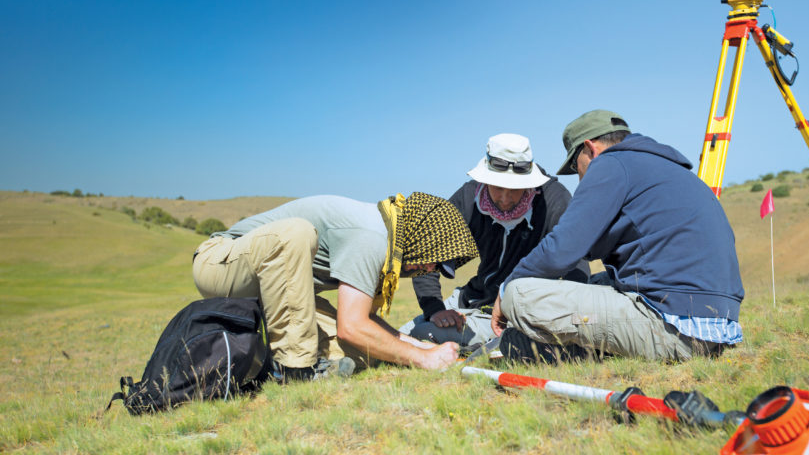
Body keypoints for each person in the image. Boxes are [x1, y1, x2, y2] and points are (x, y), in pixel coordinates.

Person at [490, 110, 744, 363]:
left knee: (519, 293)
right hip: (718, 327)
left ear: (590, 149)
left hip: (673, 327)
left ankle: (571, 347)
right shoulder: (665, 168)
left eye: (575, 166)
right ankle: (570, 351)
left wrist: (505, 289)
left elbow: (563, 249)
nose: (579, 177)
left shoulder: (611, 163)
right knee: (596, 282)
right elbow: (595, 246)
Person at [192, 192, 478, 380]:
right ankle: (293, 370)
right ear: (423, 238)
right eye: (434, 262)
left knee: (363, 353)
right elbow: (351, 326)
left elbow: (365, 325)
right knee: (296, 233)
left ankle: (284, 360)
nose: (430, 270)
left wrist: (423, 347)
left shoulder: (388, 240)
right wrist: (422, 360)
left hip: (276, 287)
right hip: (220, 263)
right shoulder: (371, 238)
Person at [400, 134, 588, 350]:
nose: (505, 198)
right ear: (485, 179)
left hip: (517, 311)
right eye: (498, 187)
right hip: (471, 297)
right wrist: (434, 308)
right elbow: (428, 253)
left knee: (420, 335)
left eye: (515, 189)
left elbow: (576, 259)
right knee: (399, 334)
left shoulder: (553, 199)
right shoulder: (468, 197)